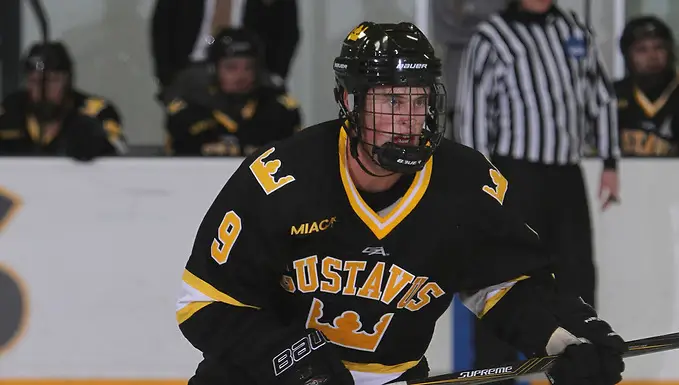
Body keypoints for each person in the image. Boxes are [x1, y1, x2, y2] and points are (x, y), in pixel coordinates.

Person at [176, 22, 627, 385]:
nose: (410, 121)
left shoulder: (466, 184)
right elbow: (204, 304)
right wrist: (293, 362)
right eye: (391, 99)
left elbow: (506, 286)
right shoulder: (280, 181)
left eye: (420, 100)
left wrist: (566, 337)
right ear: (348, 101)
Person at [455, 0, 621, 382]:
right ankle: (495, 375)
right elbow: (475, 110)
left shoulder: (573, 30)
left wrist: (610, 160)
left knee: (575, 274)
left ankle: (580, 368)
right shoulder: (492, 36)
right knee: (504, 276)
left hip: (566, 174)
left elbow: (601, 94)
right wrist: (480, 181)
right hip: (516, 175)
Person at [163, 27, 301, 156]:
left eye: (248, 67)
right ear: (214, 69)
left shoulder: (279, 109)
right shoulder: (188, 109)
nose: (241, 76)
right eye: (231, 67)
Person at [0, 41, 127, 160]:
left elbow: (119, 148)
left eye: (52, 80)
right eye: (34, 81)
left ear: (67, 81)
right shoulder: (9, 111)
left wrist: (95, 139)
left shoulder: (95, 111)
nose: (43, 90)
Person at [615, 16, 679, 156]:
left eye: (659, 48)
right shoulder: (612, 96)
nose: (652, 57)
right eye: (641, 50)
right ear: (627, 55)